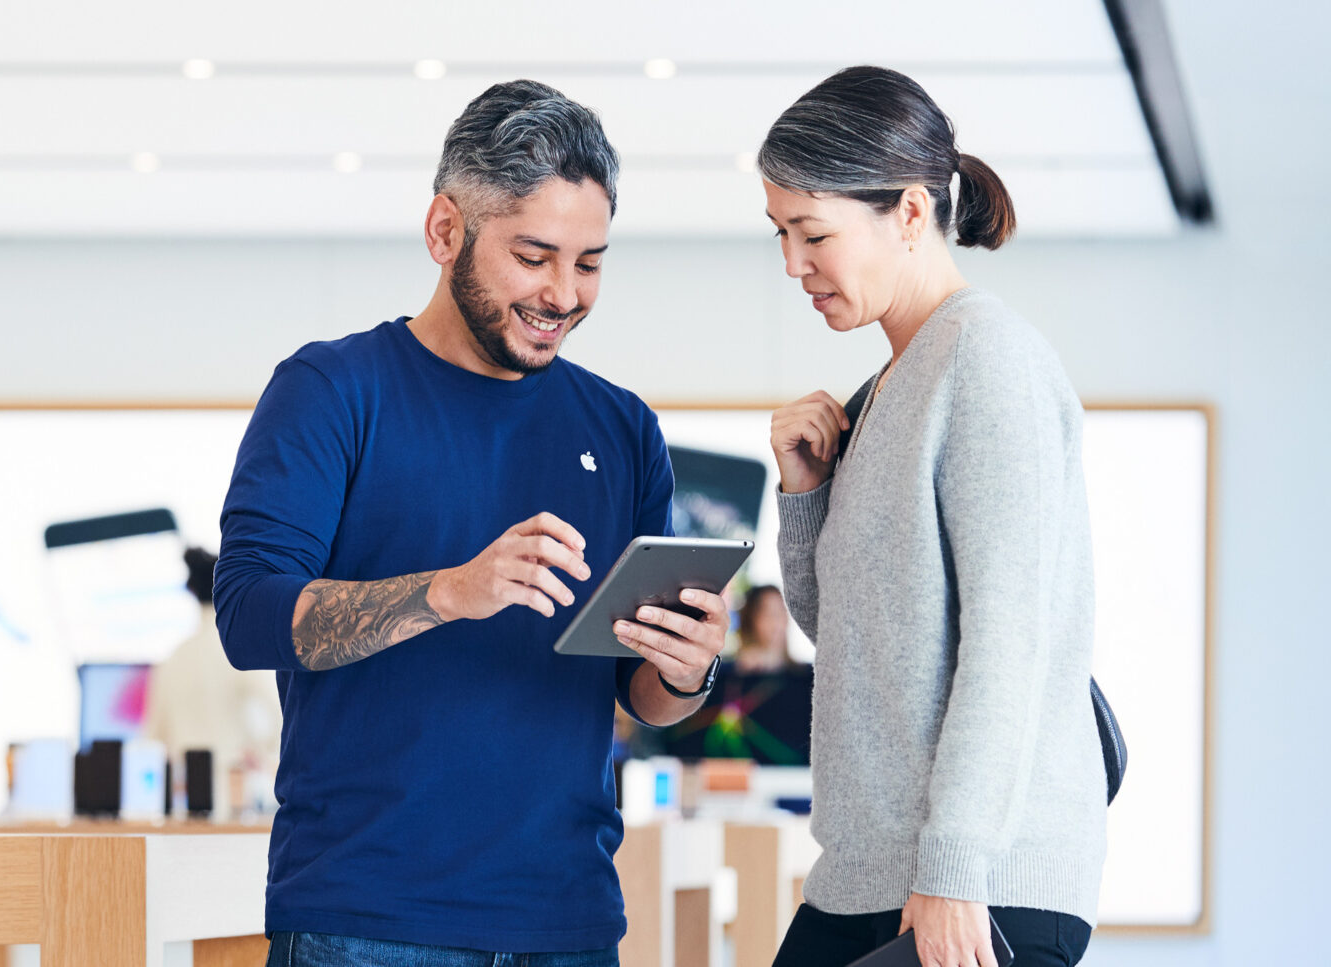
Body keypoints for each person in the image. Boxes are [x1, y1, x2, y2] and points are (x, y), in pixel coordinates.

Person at [215, 80, 727, 966]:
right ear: (445, 231)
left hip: (567, 919)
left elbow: (636, 694)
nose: (563, 294)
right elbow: (251, 614)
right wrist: (450, 591)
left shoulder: (623, 428)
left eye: (590, 261)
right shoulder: (332, 392)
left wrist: (686, 671)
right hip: (365, 918)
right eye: (535, 255)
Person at [759, 66, 1103, 967]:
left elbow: (1010, 640)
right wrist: (804, 497)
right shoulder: (882, 390)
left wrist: (955, 869)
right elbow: (853, 639)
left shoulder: (986, 359)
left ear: (911, 213)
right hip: (866, 877)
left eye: (813, 232)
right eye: (781, 233)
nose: (793, 264)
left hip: (975, 881)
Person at [144, 548, 282, 784]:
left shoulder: (173, 659)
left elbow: (153, 738)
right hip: (235, 793)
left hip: (186, 797)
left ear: (192, 591)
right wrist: (259, 752)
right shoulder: (240, 648)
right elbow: (281, 712)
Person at [662, 585, 813, 765]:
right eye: (767, 613)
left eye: (781, 612)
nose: (776, 622)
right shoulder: (723, 676)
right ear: (751, 619)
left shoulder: (805, 679)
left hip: (789, 779)